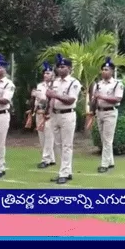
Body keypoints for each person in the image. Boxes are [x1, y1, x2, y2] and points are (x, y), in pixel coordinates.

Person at [45, 54, 82, 184]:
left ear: (69, 69)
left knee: (67, 145)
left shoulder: (74, 82)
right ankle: (65, 170)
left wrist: (55, 95)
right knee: (58, 144)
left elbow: (70, 99)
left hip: (67, 114)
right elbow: (50, 98)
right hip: (55, 114)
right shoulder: (55, 82)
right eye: (58, 67)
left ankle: (64, 172)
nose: (60, 69)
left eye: (63, 67)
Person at [91, 57, 123, 173]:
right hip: (100, 112)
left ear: (112, 71)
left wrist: (102, 97)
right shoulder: (98, 84)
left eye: (107, 69)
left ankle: (104, 164)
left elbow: (118, 98)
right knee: (103, 139)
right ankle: (110, 161)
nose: (104, 71)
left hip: (110, 112)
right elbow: (94, 99)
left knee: (108, 139)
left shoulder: (117, 84)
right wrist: (93, 102)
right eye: (103, 69)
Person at [33, 61, 56, 169]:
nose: (46, 75)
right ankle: (50, 158)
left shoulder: (55, 85)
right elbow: (37, 98)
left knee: (49, 136)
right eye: (45, 73)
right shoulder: (40, 85)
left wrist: (41, 97)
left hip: (50, 112)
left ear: (53, 74)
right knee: (42, 137)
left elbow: (49, 99)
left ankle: (45, 159)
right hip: (39, 111)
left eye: (48, 73)